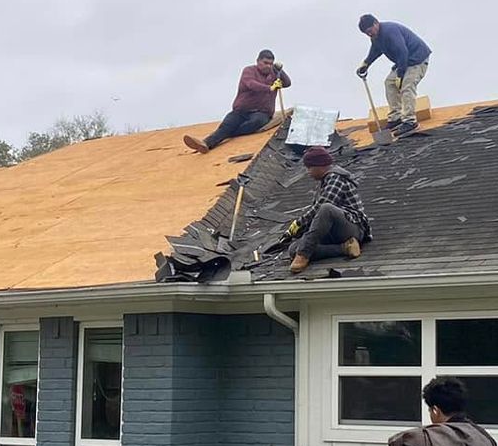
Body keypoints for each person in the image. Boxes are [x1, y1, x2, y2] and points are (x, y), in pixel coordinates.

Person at [183, 49, 292, 153]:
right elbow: (251, 84)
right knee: (228, 124)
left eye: (270, 64)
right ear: (258, 61)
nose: (268, 66)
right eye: (265, 63)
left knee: (256, 122)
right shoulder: (249, 71)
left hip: (262, 112)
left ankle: (227, 134)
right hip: (242, 110)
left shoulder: (275, 74)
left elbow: (287, 83)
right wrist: (269, 88)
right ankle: (205, 143)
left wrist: (279, 70)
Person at [285, 145, 369, 273]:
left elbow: (322, 207)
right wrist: (300, 232)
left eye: (309, 168)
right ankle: (345, 248)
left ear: (320, 165)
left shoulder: (336, 178)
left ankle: (303, 256)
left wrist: (299, 223)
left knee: (326, 208)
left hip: (353, 227)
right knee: (293, 249)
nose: (308, 172)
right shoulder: (325, 182)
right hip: (334, 232)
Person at [356, 14, 431, 131]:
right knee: (389, 83)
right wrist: (366, 64)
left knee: (407, 86)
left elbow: (402, 52)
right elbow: (376, 50)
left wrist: (400, 75)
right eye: (367, 33)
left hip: (417, 60)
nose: (370, 34)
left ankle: (410, 121)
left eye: (370, 31)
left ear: (376, 23)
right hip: (404, 62)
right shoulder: (376, 36)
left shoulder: (390, 31)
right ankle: (396, 117)